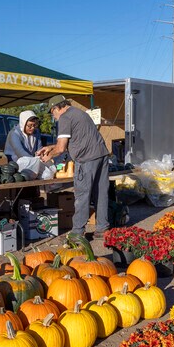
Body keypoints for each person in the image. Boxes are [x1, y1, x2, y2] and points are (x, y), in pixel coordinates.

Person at [37, 95, 110, 239]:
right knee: (101, 193)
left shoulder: (65, 118)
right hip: (101, 155)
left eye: (53, 113)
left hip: (86, 159)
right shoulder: (80, 113)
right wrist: (49, 147)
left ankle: (77, 231)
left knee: (82, 195)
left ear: (56, 108)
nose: (54, 117)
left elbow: (61, 148)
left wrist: (49, 156)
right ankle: (102, 228)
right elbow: (72, 140)